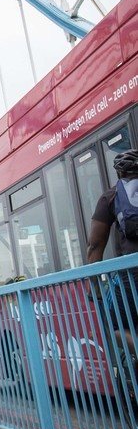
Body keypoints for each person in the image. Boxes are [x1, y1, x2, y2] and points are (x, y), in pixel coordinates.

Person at [86, 149, 138, 379]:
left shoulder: (111, 196)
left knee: (114, 323)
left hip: (132, 275)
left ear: (119, 173)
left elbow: (95, 246)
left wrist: (95, 288)